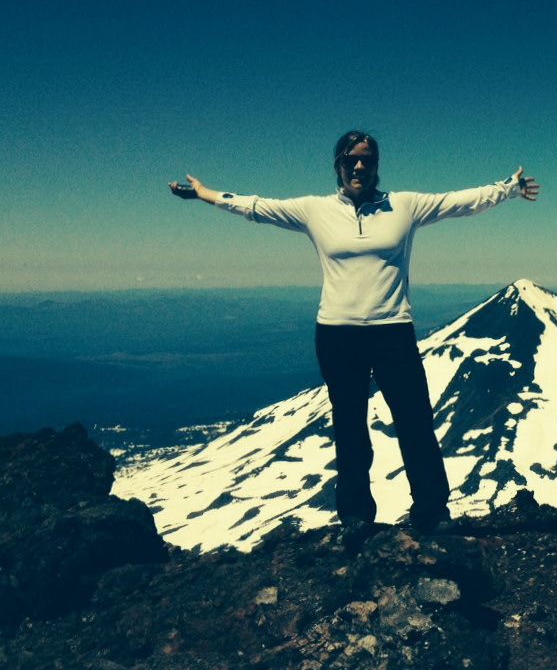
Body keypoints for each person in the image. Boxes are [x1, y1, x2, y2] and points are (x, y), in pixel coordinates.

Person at [169, 131, 538, 533]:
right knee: (349, 425)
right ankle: (356, 516)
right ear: (338, 166)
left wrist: (509, 189)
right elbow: (257, 207)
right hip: (337, 335)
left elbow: (460, 202)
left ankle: (432, 512)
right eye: (350, 160)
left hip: (393, 331)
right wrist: (205, 194)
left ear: (377, 165)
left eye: (367, 159)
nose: (359, 166)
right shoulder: (315, 210)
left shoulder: (405, 205)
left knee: (415, 421)